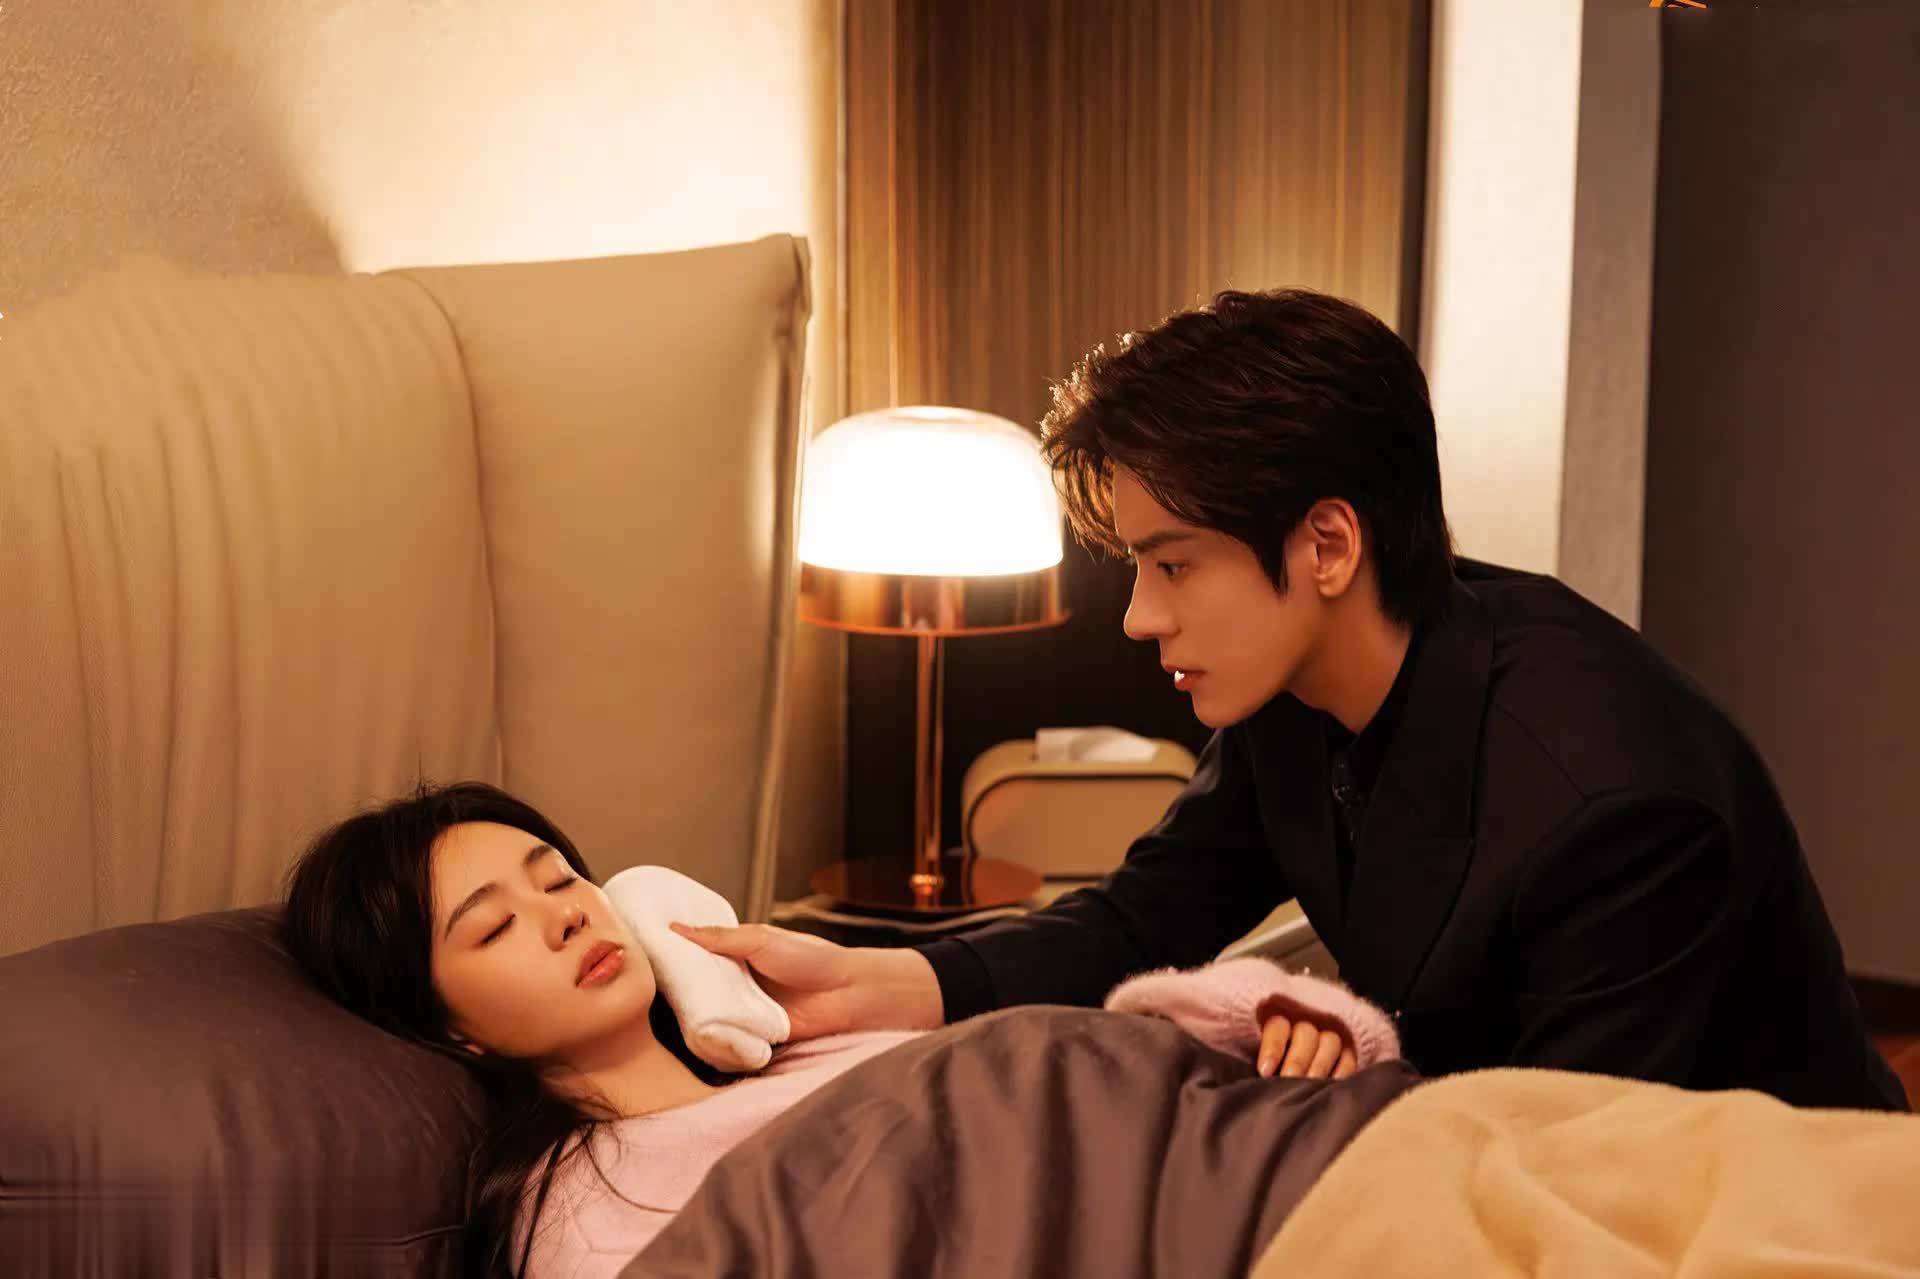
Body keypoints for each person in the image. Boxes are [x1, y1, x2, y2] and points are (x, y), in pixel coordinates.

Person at [677, 286, 1908, 1113]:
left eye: (1172, 566)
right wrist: (880, 979)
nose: (1139, 618)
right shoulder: (1295, 689)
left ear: (1327, 544)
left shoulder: (1615, 804)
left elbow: (1576, 1164)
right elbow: (1142, 918)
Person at [280, 781, 1401, 1279]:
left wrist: (1270, 1022)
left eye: (558, 875)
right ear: (456, 1032)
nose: (565, 912)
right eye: (495, 927)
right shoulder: (579, 1213)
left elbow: (1072, 1088)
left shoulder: (806, 1043)